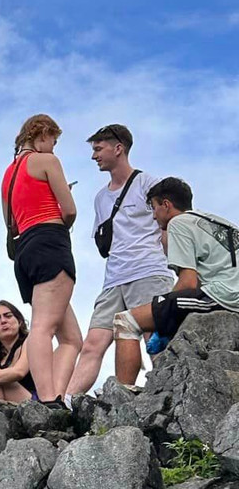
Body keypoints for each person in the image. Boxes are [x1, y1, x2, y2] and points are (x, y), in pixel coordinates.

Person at [67, 125, 174, 396]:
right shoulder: (100, 198)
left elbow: (168, 224)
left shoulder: (148, 183)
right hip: (113, 278)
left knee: (154, 338)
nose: (94, 156)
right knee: (93, 343)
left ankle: (168, 396)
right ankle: (68, 401)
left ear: (119, 148)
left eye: (98, 148)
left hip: (148, 271)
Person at [1, 115, 82, 403]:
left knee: (72, 339)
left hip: (24, 252)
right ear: (42, 134)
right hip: (50, 242)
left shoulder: (8, 174)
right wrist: (60, 205)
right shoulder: (46, 161)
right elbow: (69, 210)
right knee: (42, 328)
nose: (54, 149)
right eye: (54, 141)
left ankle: (56, 396)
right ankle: (46, 400)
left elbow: (10, 222)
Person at [112, 178, 239, 355]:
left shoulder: (178, 223)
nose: (154, 215)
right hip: (229, 289)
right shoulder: (218, 222)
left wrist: (163, 321)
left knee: (126, 321)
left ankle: (125, 384)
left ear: (166, 205)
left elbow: (188, 283)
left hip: (225, 295)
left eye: (153, 207)